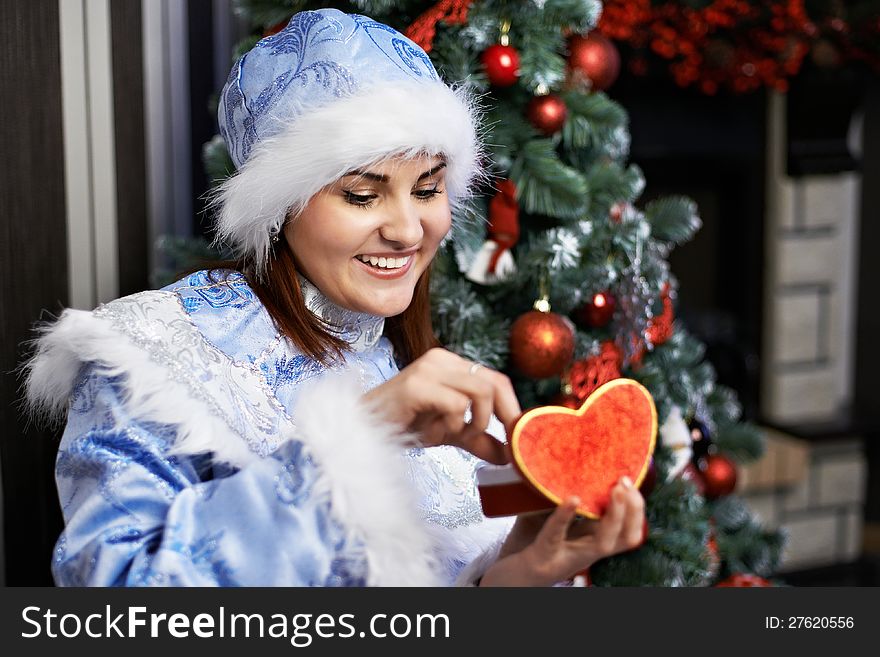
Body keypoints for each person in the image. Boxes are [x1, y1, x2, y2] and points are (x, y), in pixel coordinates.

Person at [25, 8, 645, 587]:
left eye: (427, 189)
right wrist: (352, 443)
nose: (408, 230)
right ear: (280, 203)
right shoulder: (152, 358)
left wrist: (512, 580)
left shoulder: (415, 368)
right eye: (362, 194)